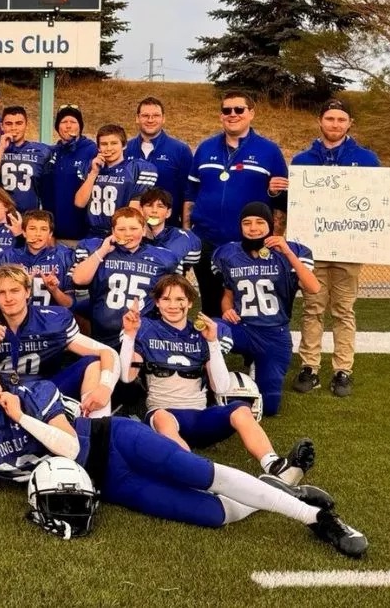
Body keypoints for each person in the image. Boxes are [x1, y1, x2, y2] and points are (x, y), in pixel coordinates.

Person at [0, 360, 368, 558]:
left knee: (199, 473)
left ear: (2, 382)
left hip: (114, 440)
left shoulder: (31, 394)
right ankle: (284, 481)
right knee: (213, 514)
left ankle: (316, 518)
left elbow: (70, 448)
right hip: (106, 484)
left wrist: (21, 418)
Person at [290, 98, 390, 398]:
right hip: (313, 251)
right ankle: (310, 366)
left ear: (349, 124)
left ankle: (343, 369)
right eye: (330, 118)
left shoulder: (367, 159)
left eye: (341, 120)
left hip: (350, 248)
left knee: (343, 310)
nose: (335, 124)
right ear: (320, 121)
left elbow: (381, 200)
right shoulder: (302, 160)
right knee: (312, 308)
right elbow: (294, 206)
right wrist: (276, 192)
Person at [120, 275, 314, 480]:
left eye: (180, 299)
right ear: (157, 303)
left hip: (200, 416)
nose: (173, 305)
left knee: (241, 409)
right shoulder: (148, 330)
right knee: (162, 418)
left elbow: (221, 387)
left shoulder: (204, 332)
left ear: (190, 302)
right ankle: (193, 472)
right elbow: (126, 376)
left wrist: (212, 342)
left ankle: (275, 466)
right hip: (164, 413)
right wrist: (130, 335)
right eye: (166, 299)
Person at [0, 264, 117, 414]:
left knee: (94, 365)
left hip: (44, 389)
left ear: (27, 292)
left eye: (14, 290)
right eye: (1, 292)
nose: (8, 298)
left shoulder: (52, 321)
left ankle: (94, 429)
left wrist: (105, 387)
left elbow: (107, 352)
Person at [185, 90, 289, 319]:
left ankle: (251, 352)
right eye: (226, 110)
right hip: (207, 240)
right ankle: (214, 352)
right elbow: (191, 194)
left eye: (239, 110)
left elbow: (282, 203)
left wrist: (275, 239)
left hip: (249, 242)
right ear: (221, 115)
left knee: (249, 302)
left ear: (251, 113)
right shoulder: (205, 148)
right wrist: (187, 233)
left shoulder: (269, 151)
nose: (233, 114)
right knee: (210, 302)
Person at [214, 202, 320, 416]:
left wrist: (289, 253)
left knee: (269, 407)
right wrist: (226, 310)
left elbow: (314, 287)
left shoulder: (291, 251)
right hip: (241, 328)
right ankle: (207, 385)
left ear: (270, 225)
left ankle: (258, 364)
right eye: (247, 223)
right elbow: (227, 295)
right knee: (209, 329)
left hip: (274, 334)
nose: (253, 227)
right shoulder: (227, 253)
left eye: (259, 222)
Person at [71, 207, 182, 347]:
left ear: (143, 230)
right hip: (102, 331)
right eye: (121, 229)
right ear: (113, 231)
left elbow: (174, 295)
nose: (128, 234)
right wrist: (102, 251)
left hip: (142, 334)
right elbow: (78, 280)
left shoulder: (164, 257)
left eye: (133, 229)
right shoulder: (97, 249)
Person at [75, 124, 160, 236]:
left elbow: (134, 210)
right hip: (93, 234)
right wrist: (93, 173)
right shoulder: (90, 167)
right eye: (104, 144)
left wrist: (122, 233)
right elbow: (79, 203)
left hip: (123, 233)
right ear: (99, 148)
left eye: (114, 143)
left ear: (124, 145)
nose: (109, 148)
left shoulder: (137, 168)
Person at [0, 210, 77, 309]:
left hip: (52, 319)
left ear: (50, 234)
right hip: (19, 318)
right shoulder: (6, 258)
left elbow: (70, 305)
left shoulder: (65, 257)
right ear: (24, 232)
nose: (38, 234)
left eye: (43, 229)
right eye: (32, 229)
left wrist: (54, 290)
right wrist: (22, 284)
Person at [133, 97, 194, 225]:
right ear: (137, 118)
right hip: (132, 228)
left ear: (163, 118)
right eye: (145, 115)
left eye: (156, 115)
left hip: (168, 228)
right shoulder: (125, 149)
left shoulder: (180, 150)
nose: (150, 120)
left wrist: (185, 228)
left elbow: (188, 193)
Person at [42, 104, 98, 245]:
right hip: (54, 235)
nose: (68, 126)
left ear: (80, 126)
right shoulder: (52, 152)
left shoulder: (92, 150)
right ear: (57, 127)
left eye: (73, 122)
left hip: (83, 237)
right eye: (64, 122)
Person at [0, 106, 52, 213]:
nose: (14, 128)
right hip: (1, 216)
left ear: (26, 125)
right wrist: (1, 147)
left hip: (29, 216)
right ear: (1, 126)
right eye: (9, 124)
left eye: (19, 123)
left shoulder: (41, 150)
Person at [139, 188, 201, 272]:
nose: (154, 210)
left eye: (160, 206)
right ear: (141, 210)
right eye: (149, 205)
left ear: (168, 213)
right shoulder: (132, 235)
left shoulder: (179, 237)